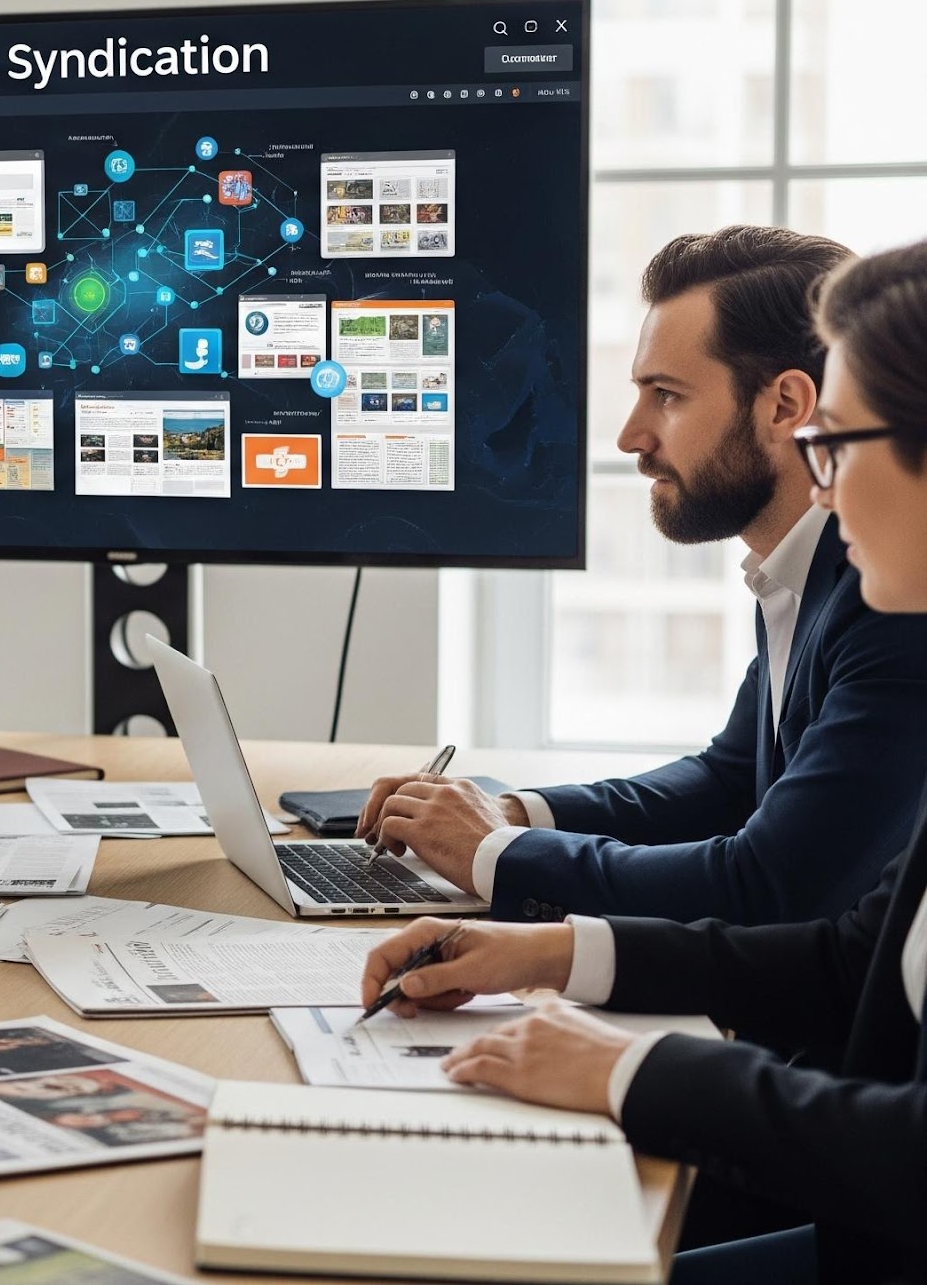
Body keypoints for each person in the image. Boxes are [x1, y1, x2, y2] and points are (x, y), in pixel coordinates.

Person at [357, 237, 927, 1284]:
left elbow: (778, 890)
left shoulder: (891, 623)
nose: (823, 487)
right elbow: (844, 950)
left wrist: (632, 1067)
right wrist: (541, 948)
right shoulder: (851, 588)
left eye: (837, 443)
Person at [362, 226, 927, 926]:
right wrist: (513, 811)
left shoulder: (892, 596)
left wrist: (496, 852)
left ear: (785, 406)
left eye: (666, 395)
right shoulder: (798, 567)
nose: (630, 436)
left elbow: (769, 884)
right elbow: (728, 780)